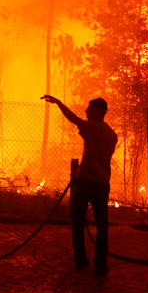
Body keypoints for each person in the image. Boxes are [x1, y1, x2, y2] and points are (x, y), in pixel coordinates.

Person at [41, 94, 117, 276]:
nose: (86, 111)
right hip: (102, 183)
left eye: (89, 108)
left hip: (85, 182)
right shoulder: (111, 134)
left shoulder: (92, 128)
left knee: (77, 221)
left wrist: (58, 102)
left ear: (98, 111)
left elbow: (74, 119)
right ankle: (100, 264)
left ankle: (81, 259)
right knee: (102, 225)